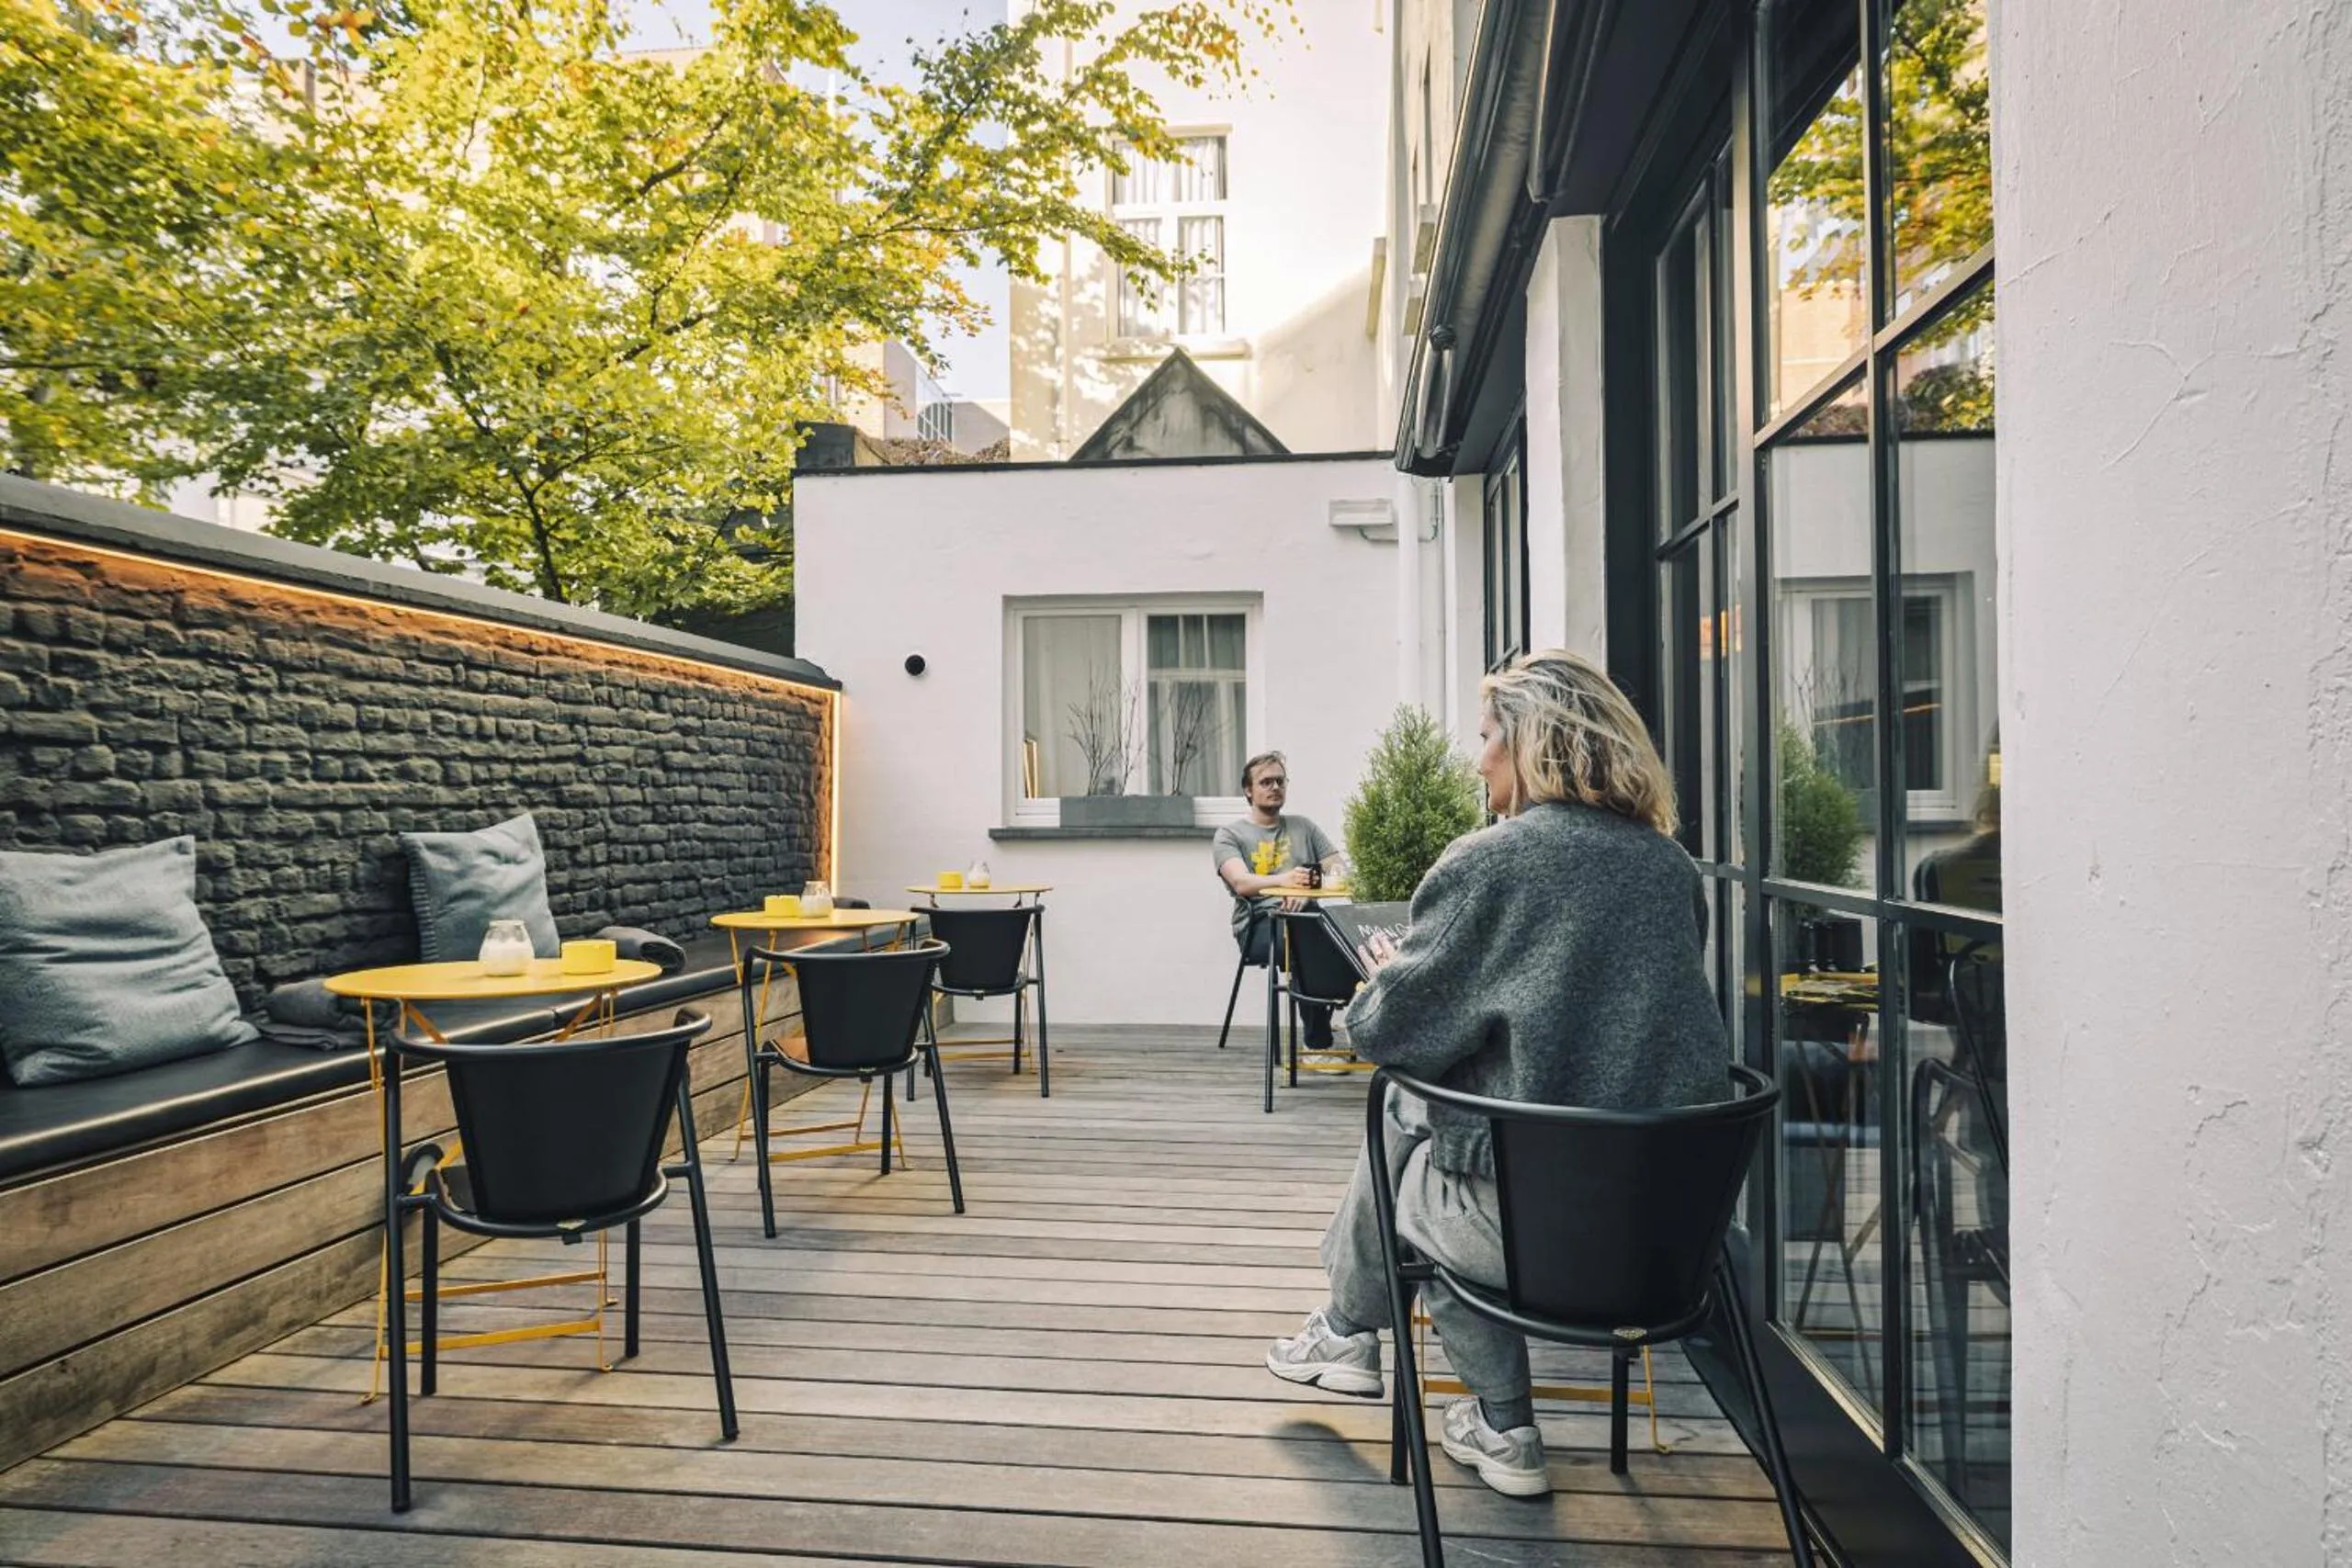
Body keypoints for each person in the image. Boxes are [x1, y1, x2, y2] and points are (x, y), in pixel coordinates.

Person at [1262, 649, 1728, 1499]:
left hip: (1535, 1240)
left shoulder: (1489, 862)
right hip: (1668, 1240)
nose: (1477, 759)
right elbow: (1590, 1021)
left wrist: (1386, 979)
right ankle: (1361, 1346)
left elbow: (1384, 1033)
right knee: (1431, 1113)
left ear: (1532, 744)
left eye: (1485, 737)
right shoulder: (1671, 869)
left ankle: (1453, 1388)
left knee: (1410, 1143)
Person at [1214, 750, 1347, 1049]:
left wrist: (1305, 892)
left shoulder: (1304, 827)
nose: (1275, 787)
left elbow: (1339, 869)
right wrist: (1285, 882)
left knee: (1344, 936)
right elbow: (1241, 882)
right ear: (1248, 790)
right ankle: (1319, 1044)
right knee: (1306, 937)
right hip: (1259, 926)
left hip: (1307, 918)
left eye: (1280, 781)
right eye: (1266, 782)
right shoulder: (1229, 835)